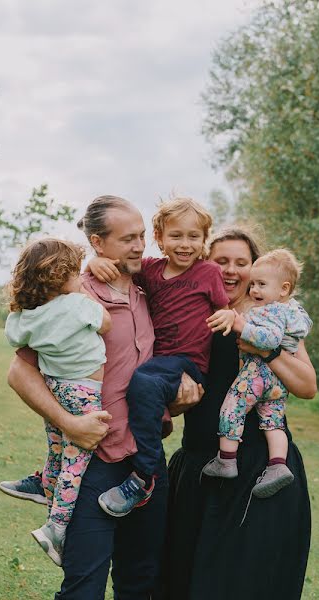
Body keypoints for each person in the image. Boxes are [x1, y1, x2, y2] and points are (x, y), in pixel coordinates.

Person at [3, 195, 202, 599]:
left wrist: (180, 399)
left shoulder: (152, 290)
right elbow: (19, 371)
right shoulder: (74, 297)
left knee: (141, 580)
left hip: (146, 463)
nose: (139, 246)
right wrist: (69, 423)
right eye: (128, 238)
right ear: (98, 242)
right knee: (83, 585)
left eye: (142, 236)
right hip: (93, 464)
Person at [162, 227, 317, 600]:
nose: (231, 271)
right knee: (180, 583)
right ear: (205, 266)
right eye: (221, 262)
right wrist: (176, 404)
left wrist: (266, 350)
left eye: (241, 263)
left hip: (259, 469)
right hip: (199, 467)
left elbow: (307, 386)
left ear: (256, 270)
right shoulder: (191, 316)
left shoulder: (272, 320)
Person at [91, 196, 229, 518]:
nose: (185, 244)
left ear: (204, 240)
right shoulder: (151, 271)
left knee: (143, 384)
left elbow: (224, 308)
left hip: (189, 364)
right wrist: (92, 263)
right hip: (159, 362)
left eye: (194, 236)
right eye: (176, 236)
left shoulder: (208, 272)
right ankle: (144, 459)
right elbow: (119, 269)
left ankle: (143, 474)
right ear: (160, 238)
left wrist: (226, 317)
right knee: (143, 390)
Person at [3, 238, 112, 566]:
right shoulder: (77, 305)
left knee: (55, 449)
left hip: (54, 388)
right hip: (84, 392)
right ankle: (56, 528)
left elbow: (15, 338)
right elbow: (106, 323)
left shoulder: (25, 317)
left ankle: (46, 494)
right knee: (75, 462)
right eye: (75, 273)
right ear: (61, 276)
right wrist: (82, 292)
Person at [202, 249, 312, 498]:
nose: (254, 291)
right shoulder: (294, 312)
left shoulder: (270, 311)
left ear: (283, 289)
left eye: (261, 284)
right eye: (253, 284)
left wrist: (242, 325)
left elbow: (270, 339)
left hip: (257, 374)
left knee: (232, 406)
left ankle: (226, 460)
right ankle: (277, 465)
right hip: (277, 384)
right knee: (273, 422)